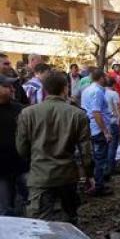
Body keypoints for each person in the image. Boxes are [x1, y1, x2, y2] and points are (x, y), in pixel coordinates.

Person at [16, 71, 94, 223]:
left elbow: (21, 148)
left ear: (45, 89)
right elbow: (86, 151)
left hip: (40, 174)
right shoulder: (78, 114)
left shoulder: (27, 113)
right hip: (67, 174)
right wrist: (89, 174)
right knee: (69, 219)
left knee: (40, 222)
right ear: (65, 88)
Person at [81, 68, 113, 196]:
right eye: (105, 77)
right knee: (100, 159)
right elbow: (96, 112)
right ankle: (98, 186)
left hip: (92, 128)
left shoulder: (87, 90)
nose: (107, 79)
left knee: (94, 158)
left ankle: (92, 183)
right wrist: (105, 131)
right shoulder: (97, 92)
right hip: (98, 129)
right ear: (101, 78)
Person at [0, 75, 28, 216]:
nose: (12, 89)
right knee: (5, 209)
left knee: (31, 201)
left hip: (22, 165)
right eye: (6, 86)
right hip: (2, 170)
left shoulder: (20, 109)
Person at [104, 77, 120, 176]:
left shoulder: (101, 92)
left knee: (105, 146)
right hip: (113, 121)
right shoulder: (114, 94)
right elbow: (118, 107)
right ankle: (111, 167)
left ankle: (106, 167)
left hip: (104, 122)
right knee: (113, 146)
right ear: (113, 84)